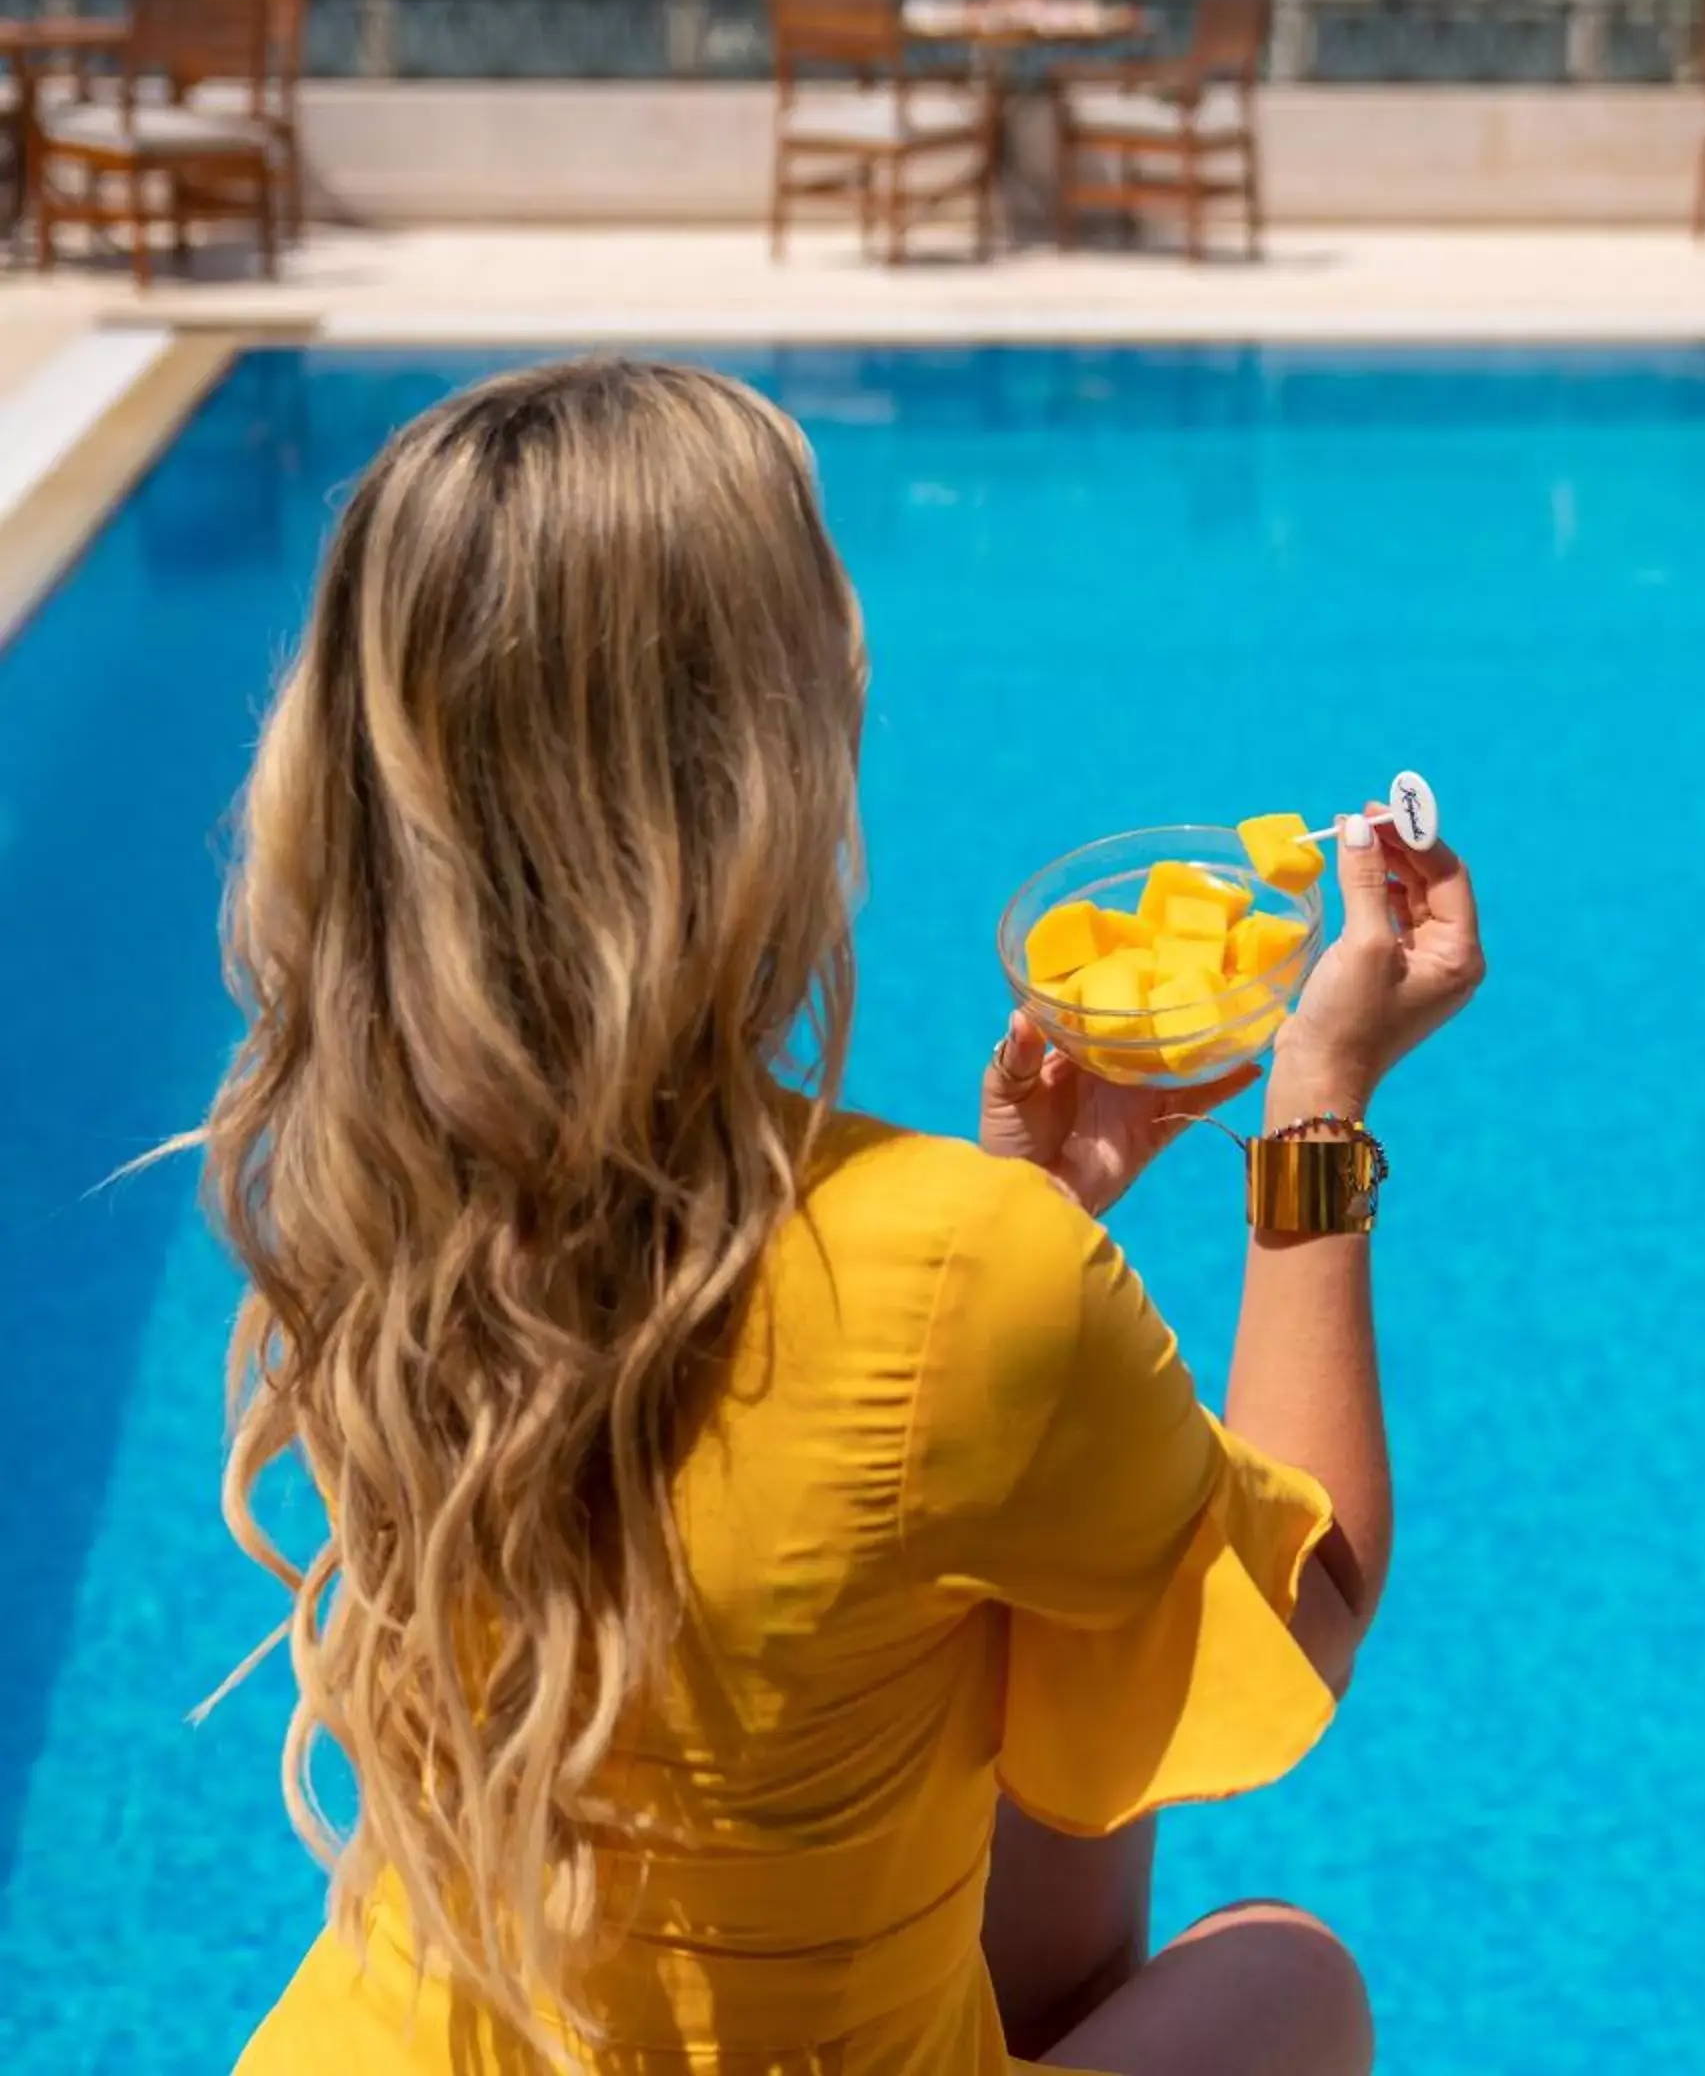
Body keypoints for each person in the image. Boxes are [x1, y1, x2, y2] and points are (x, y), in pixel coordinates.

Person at [212, 357, 1484, 2076]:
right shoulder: (946, 1267)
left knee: (1060, 1710)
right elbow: (1307, 1598)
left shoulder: (371, 1187)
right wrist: (1317, 1109)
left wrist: (1028, 1214)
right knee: (1290, 1976)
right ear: (752, 769)